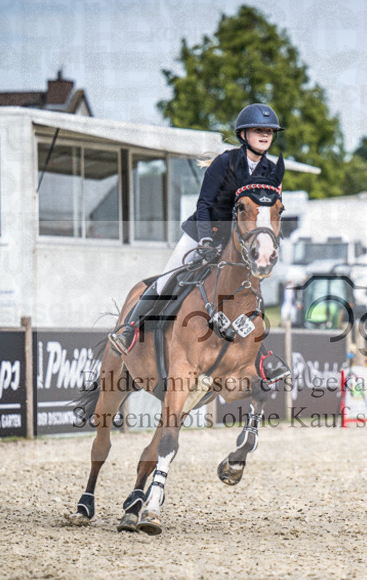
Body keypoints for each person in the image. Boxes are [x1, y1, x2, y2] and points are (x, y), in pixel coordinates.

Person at [108, 103, 291, 386]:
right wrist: (205, 239)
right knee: (168, 278)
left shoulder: (271, 170)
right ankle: (130, 330)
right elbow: (204, 205)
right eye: (259, 130)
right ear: (244, 135)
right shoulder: (225, 163)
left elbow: (269, 211)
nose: (265, 135)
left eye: (269, 131)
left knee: (249, 296)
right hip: (203, 233)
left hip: (241, 243)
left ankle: (261, 357)